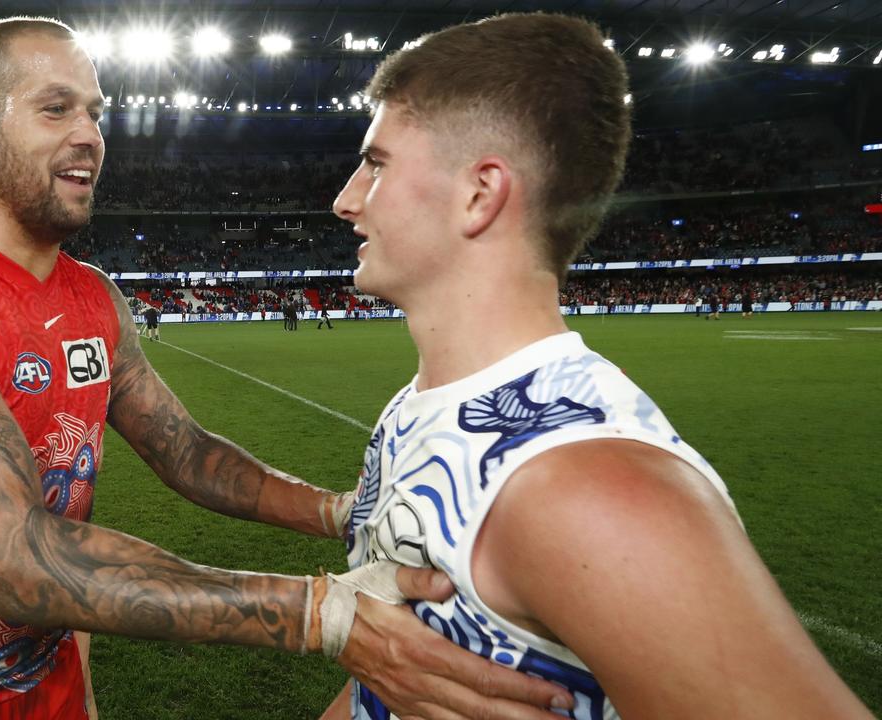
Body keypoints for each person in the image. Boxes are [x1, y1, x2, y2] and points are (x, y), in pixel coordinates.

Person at [0, 16, 572, 720]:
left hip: (46, 678)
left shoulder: (94, 298)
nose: (88, 136)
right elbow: (17, 561)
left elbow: (187, 451)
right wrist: (324, 614)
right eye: (56, 111)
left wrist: (340, 512)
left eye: (96, 113)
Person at [325, 13, 873, 720]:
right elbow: (392, 682)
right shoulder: (419, 405)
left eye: (376, 164)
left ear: (479, 194)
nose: (345, 199)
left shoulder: (588, 487)